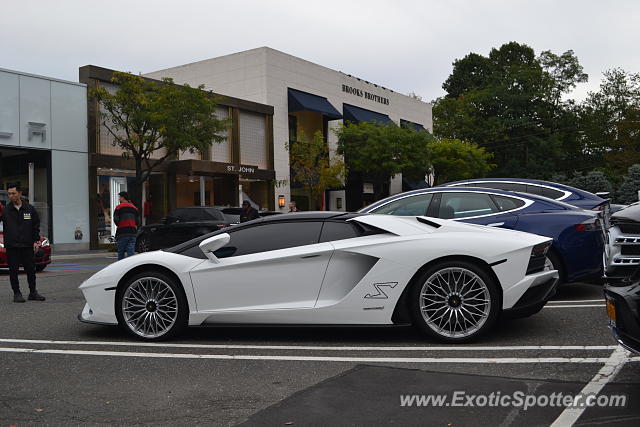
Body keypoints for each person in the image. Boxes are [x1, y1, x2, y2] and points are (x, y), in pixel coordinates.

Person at [0, 184, 45, 303]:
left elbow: (35, 226)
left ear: (19, 193)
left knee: (31, 270)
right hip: (12, 246)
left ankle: (33, 292)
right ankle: (17, 293)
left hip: (27, 245)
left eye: (13, 193)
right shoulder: (5, 211)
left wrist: (36, 241)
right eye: (9, 194)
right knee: (13, 271)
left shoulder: (29, 209)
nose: (11, 196)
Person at [113, 191, 140, 260]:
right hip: (132, 232)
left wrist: (120, 224)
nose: (119, 199)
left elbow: (116, 219)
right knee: (131, 253)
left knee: (121, 253)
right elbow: (138, 221)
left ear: (123, 197)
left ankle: (120, 268)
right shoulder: (134, 208)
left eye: (119, 197)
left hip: (122, 232)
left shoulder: (118, 207)